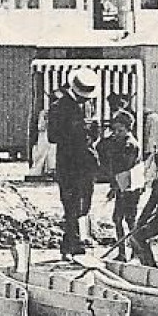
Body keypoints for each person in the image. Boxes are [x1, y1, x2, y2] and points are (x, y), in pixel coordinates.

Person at [51, 69, 99, 260]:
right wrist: (76, 131)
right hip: (68, 161)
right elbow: (53, 136)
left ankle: (77, 240)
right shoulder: (59, 106)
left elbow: (93, 133)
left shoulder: (89, 105)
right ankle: (71, 244)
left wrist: (91, 132)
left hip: (87, 161)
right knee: (70, 204)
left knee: (85, 202)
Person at [97, 109, 143, 250]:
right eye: (114, 130)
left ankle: (136, 250)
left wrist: (115, 187)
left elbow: (125, 170)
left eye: (120, 130)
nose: (116, 134)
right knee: (118, 219)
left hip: (131, 187)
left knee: (128, 219)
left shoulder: (130, 145)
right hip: (123, 186)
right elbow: (101, 147)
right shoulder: (119, 143)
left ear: (128, 129)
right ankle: (123, 251)